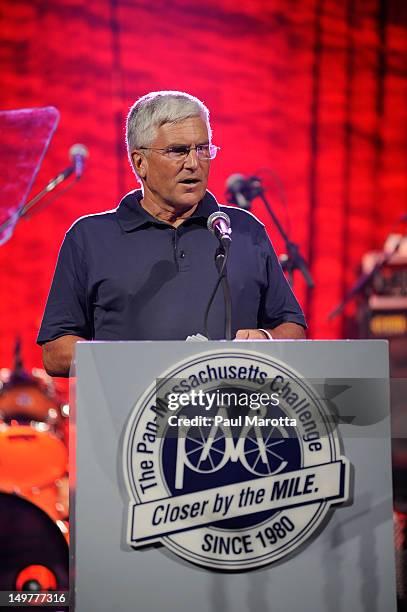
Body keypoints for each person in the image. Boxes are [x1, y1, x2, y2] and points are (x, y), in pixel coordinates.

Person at [38, 91, 306, 377]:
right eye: (178, 151)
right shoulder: (89, 238)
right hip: (130, 417)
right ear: (140, 162)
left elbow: (294, 331)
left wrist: (266, 340)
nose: (194, 163)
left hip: (229, 416)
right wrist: (128, 361)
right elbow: (55, 352)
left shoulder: (242, 230)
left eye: (203, 148)